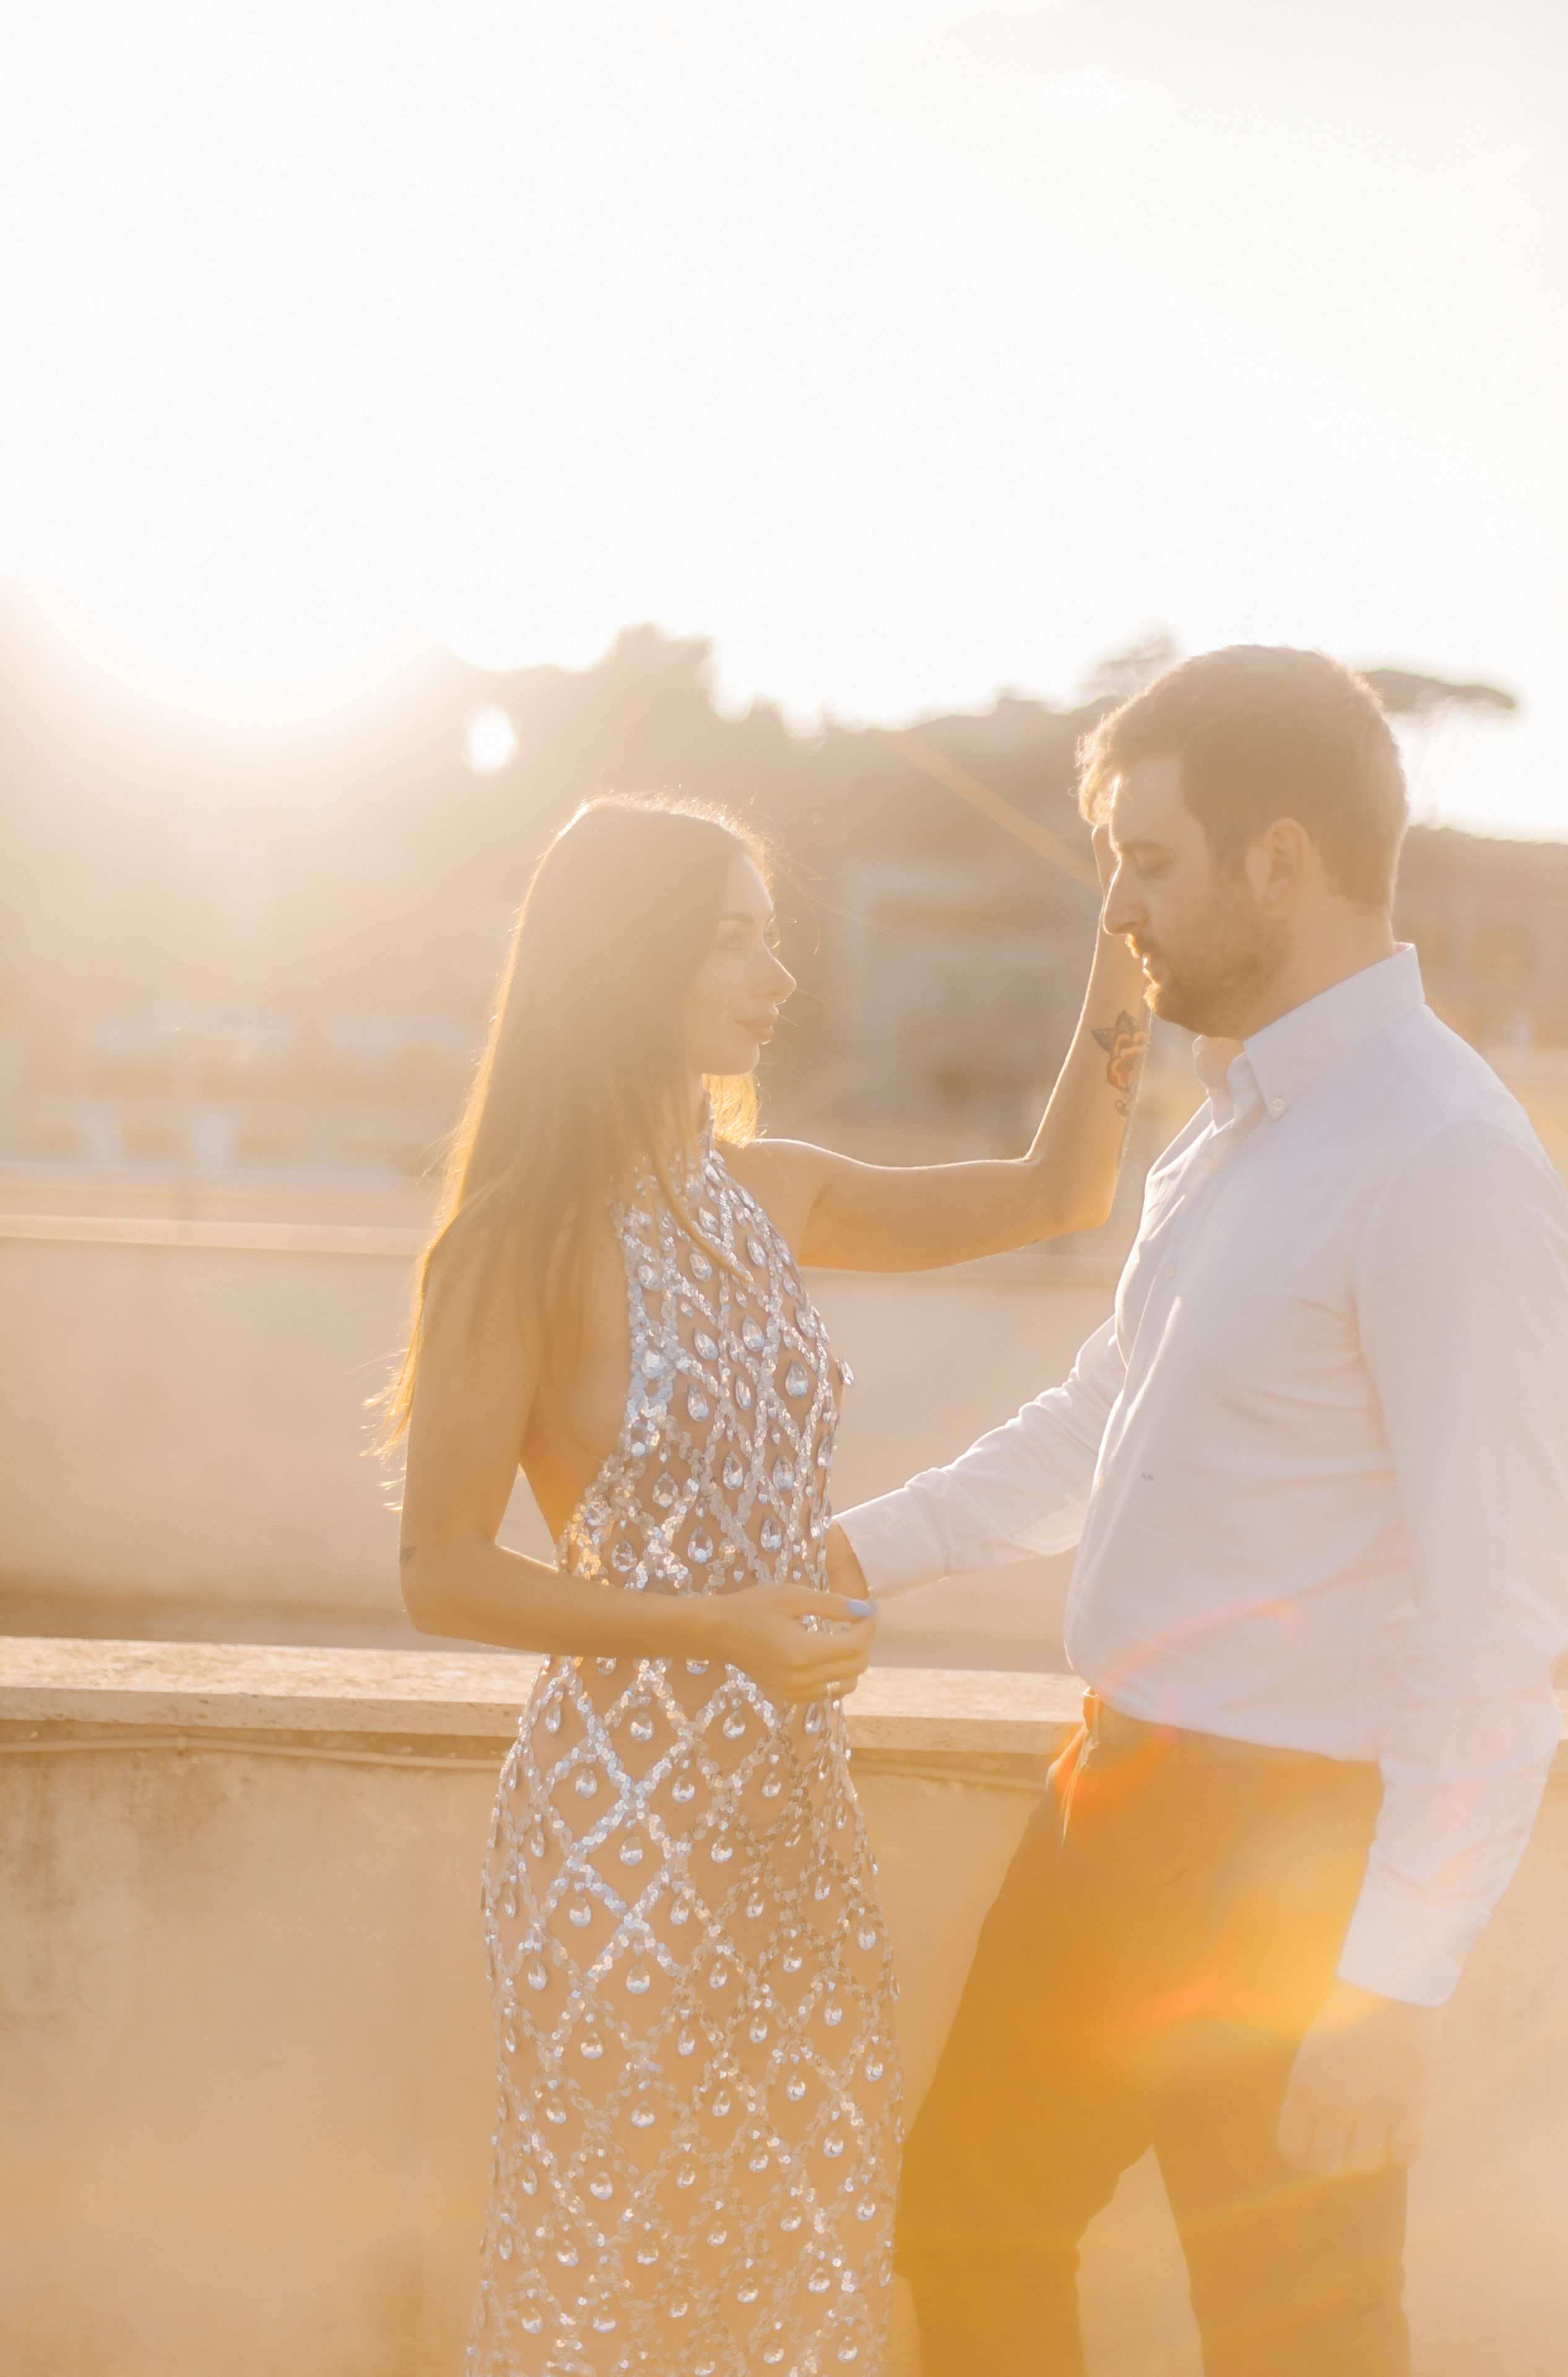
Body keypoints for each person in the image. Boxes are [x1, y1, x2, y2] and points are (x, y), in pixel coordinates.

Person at [828, 646, 1568, 2377]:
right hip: (1118, 1800)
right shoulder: (1229, 1123)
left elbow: (1497, 1615)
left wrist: (1390, 1990)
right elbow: (1118, 1414)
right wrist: (859, 1556)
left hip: (1292, 1859)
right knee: (967, 2211)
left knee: (1295, 2337)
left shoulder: (1446, 1164)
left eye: (1149, 862)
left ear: (1281, 862)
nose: (1119, 911)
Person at [384, 790, 1144, 2377]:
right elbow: (441, 1573)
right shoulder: (509, 1242)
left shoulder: (771, 1191)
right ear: (629, 964)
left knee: (798, 2255)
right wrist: (713, 1627)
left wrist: (1121, 949)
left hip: (791, 1825)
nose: (777, 976)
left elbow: (1053, 1195)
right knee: (610, 2259)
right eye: (734, 938)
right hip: (619, 1835)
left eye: (770, 936)